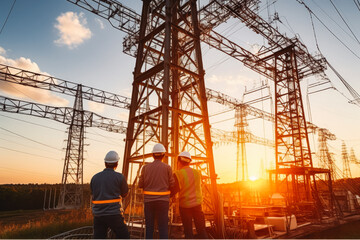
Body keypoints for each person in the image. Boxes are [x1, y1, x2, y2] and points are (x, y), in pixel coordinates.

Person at [90, 150, 130, 239]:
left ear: (105, 163)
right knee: (124, 236)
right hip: (114, 214)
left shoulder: (95, 178)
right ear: (117, 163)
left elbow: (93, 193)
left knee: (99, 237)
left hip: (98, 215)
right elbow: (125, 194)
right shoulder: (120, 177)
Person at [138, 143, 175, 239]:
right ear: (163, 155)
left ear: (153, 155)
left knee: (149, 228)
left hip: (149, 202)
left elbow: (140, 184)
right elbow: (172, 185)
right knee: (163, 228)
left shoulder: (145, 168)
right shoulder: (167, 168)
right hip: (163, 202)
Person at [171, 151, 208, 239]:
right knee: (201, 230)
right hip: (197, 205)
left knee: (188, 231)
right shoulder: (197, 173)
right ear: (189, 161)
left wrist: (167, 195)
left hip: (185, 206)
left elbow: (174, 190)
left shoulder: (178, 174)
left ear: (179, 161)